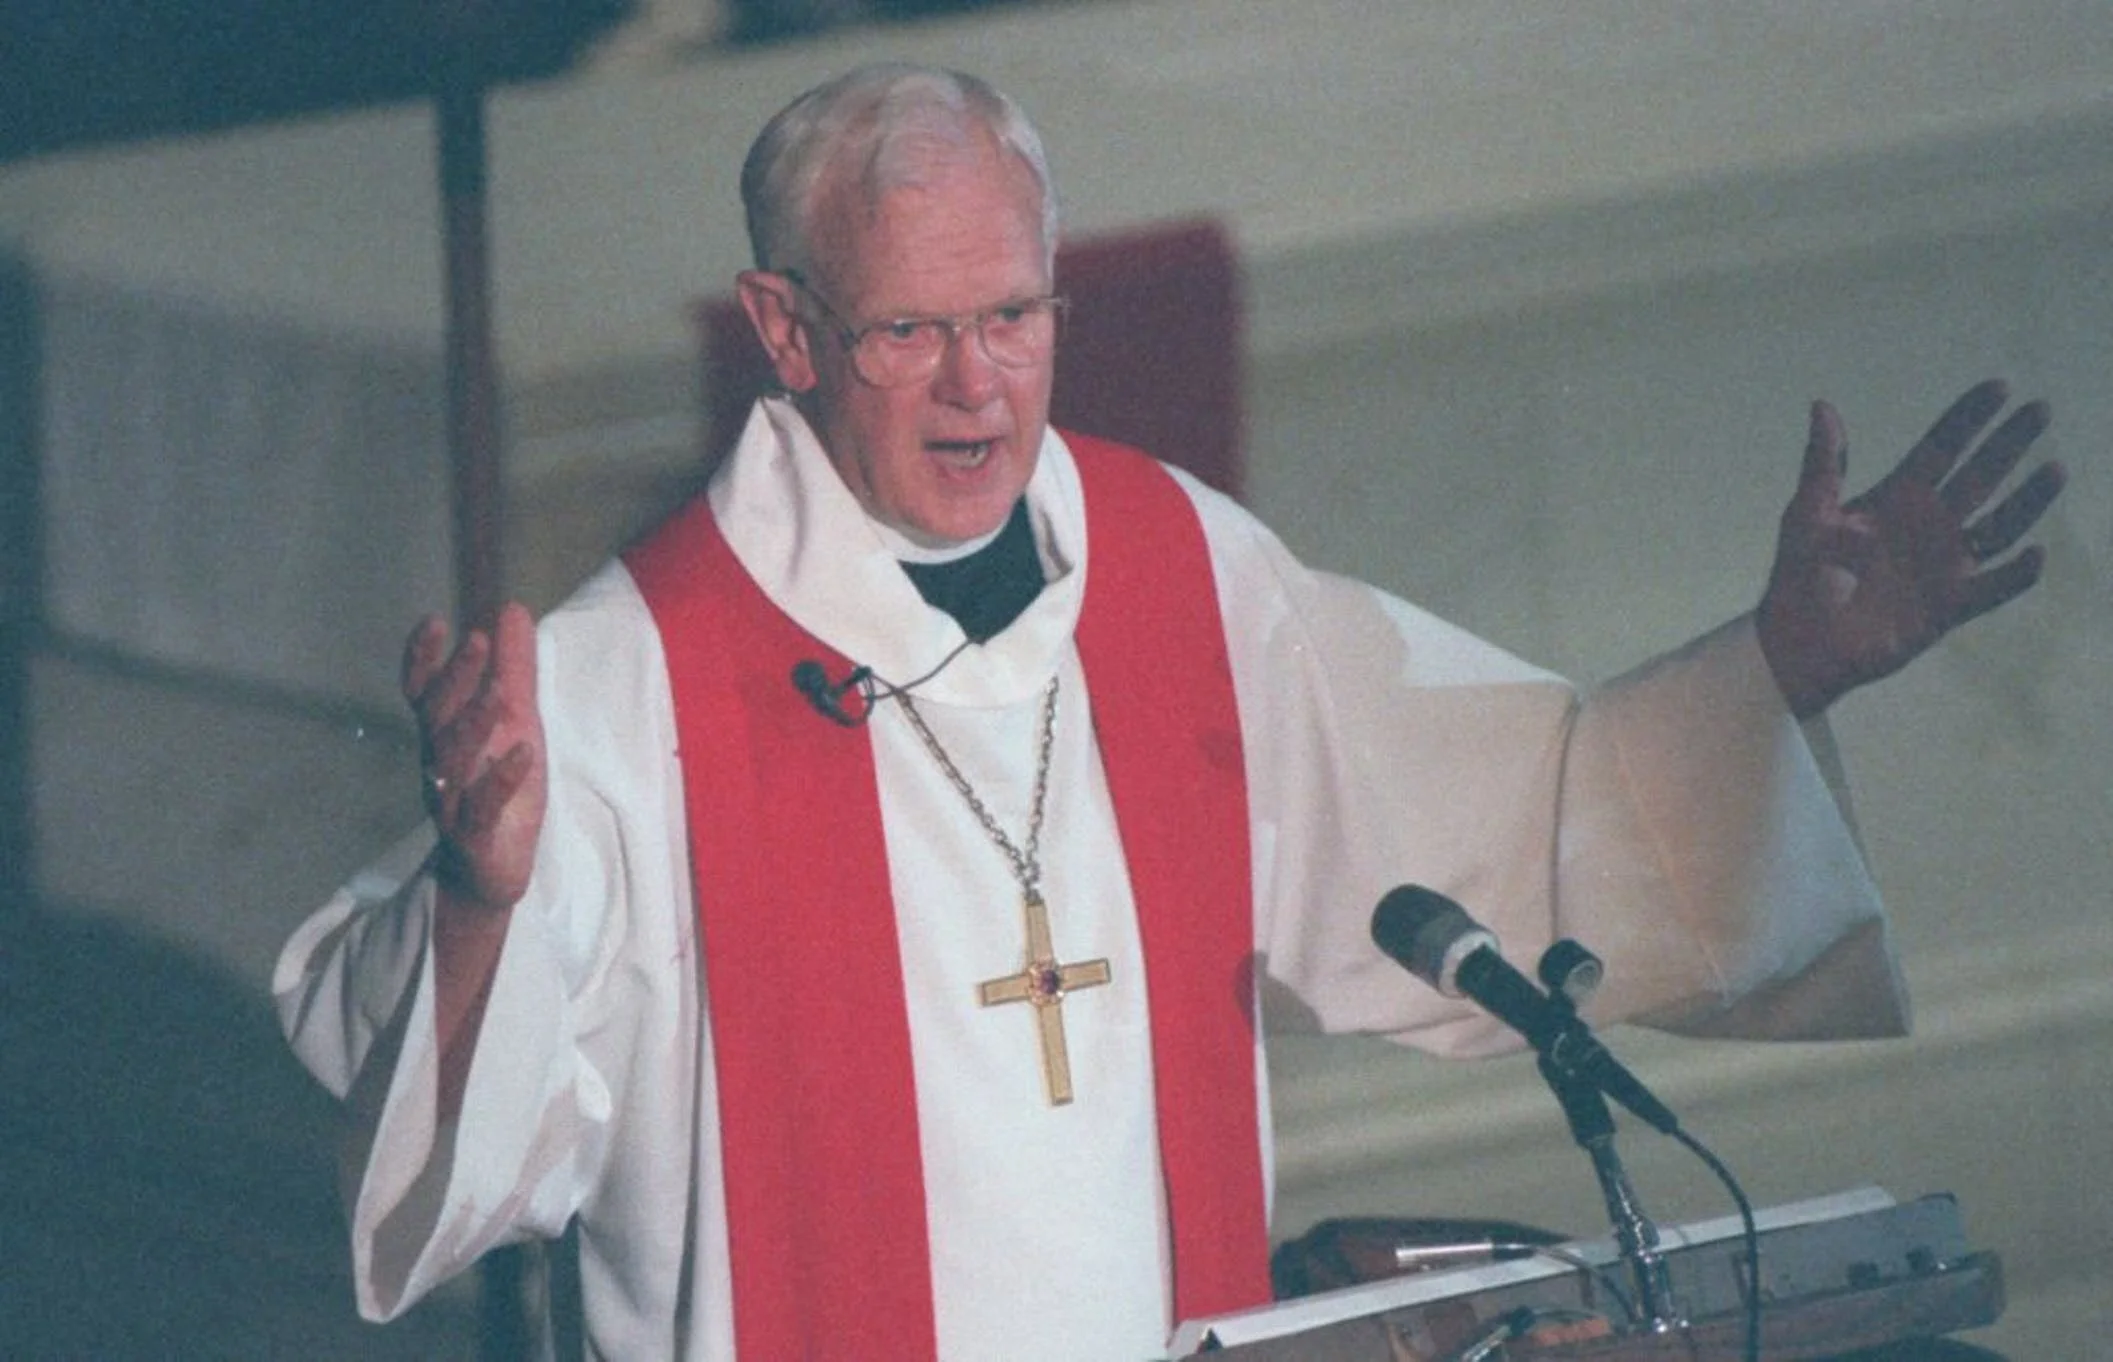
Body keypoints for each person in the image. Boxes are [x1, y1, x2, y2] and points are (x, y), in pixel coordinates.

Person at [274, 62, 2067, 1361]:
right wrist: (483, 898)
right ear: (787, 328)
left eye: (1015, 313)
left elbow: (1504, 818)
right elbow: (446, 1145)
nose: (982, 386)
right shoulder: (623, 677)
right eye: (912, 332)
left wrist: (1779, 676)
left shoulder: (1174, 565)